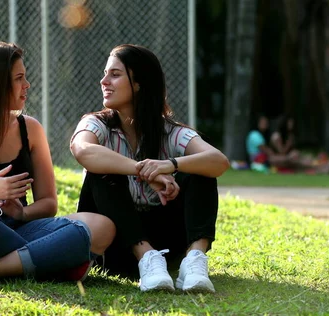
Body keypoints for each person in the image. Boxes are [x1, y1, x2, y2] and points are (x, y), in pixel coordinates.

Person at [0, 41, 115, 284]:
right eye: (18, 78)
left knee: (101, 226)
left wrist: (22, 212)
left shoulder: (30, 129)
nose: (26, 85)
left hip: (19, 227)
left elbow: (48, 204)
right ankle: (52, 259)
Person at [70, 44, 230, 293]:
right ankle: (146, 257)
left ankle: (195, 260)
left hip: (167, 248)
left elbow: (218, 161)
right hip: (118, 247)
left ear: (139, 83)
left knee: (201, 168)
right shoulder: (96, 123)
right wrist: (142, 170)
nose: (104, 81)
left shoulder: (170, 131)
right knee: (101, 171)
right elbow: (83, 150)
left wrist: (169, 164)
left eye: (115, 74)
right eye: (105, 73)